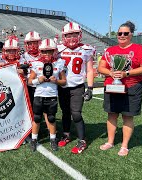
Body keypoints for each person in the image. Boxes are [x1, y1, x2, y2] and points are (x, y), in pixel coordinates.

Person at [97, 21, 142, 156]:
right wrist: (110, 73)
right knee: (111, 115)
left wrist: (126, 73)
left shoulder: (139, 49)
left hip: (132, 86)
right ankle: (110, 141)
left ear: (131, 34)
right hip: (111, 86)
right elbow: (100, 67)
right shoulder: (110, 50)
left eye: (125, 33)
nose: (121, 35)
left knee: (127, 117)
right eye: (119, 33)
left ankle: (124, 145)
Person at [56, 21, 95, 154]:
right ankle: (66, 134)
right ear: (63, 36)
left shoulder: (86, 50)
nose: (72, 38)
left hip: (77, 86)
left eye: (74, 35)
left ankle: (82, 140)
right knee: (65, 112)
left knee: (76, 113)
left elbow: (90, 70)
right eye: (69, 35)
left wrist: (90, 87)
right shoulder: (58, 49)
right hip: (62, 86)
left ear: (80, 35)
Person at [28, 38, 66, 152]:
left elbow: (64, 82)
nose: (46, 54)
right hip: (39, 95)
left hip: (52, 95)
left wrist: (56, 81)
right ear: (40, 51)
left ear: (54, 51)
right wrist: (38, 80)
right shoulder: (36, 63)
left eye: (49, 51)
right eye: (44, 51)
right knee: (37, 118)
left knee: (51, 118)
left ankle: (53, 139)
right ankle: (34, 139)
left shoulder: (59, 63)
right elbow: (29, 82)